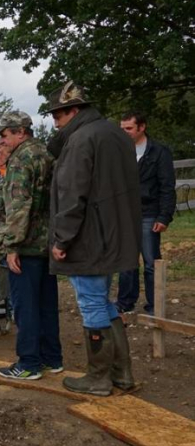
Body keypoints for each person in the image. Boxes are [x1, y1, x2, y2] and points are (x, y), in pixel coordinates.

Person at [46, 82, 142, 396]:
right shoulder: (116, 134)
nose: (54, 122)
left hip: (89, 238)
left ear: (73, 111)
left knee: (91, 304)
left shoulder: (80, 139)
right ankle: (122, 374)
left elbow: (73, 195)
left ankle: (98, 377)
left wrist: (61, 239)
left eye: (57, 115)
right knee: (103, 301)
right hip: (114, 234)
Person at [0, 111, 61, 380]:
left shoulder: (21, 160)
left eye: (5, 134)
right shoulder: (46, 154)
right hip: (47, 242)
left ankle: (29, 363)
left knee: (25, 306)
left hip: (26, 246)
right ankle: (52, 358)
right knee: (46, 303)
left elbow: (18, 207)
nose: (3, 140)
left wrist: (11, 246)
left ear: (21, 132)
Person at [115, 111, 176, 315]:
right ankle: (125, 302)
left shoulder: (159, 152)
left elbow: (167, 186)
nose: (124, 132)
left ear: (142, 127)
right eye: (121, 128)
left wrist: (164, 216)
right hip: (125, 213)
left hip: (149, 212)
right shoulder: (119, 151)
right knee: (126, 261)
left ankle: (154, 306)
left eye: (129, 128)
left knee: (150, 261)